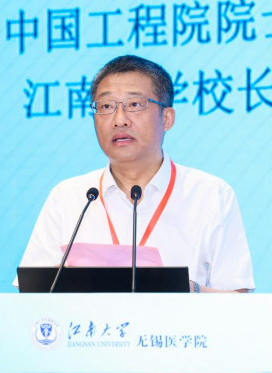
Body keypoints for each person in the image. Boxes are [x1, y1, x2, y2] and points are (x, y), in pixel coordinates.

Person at [16, 55, 254, 293]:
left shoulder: (211, 195)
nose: (119, 120)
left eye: (135, 104)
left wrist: (183, 289)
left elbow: (239, 299)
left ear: (167, 118)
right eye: (106, 106)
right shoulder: (69, 197)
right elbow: (30, 294)